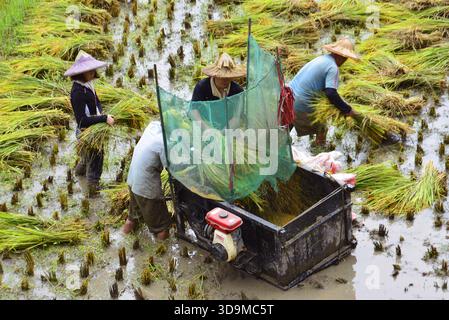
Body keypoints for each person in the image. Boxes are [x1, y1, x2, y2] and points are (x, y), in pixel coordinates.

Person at [289, 38, 359, 146]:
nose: (345, 60)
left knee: (285, 127)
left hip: (288, 98)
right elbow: (331, 93)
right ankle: (319, 153)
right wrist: (347, 110)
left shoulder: (321, 59)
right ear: (341, 56)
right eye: (345, 57)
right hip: (302, 103)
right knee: (322, 129)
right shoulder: (333, 67)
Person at [64, 50, 115, 196]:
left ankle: (79, 175)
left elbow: (96, 102)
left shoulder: (87, 85)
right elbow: (82, 120)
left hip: (90, 130)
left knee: (86, 158)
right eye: (89, 70)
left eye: (93, 69)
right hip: (86, 133)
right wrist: (104, 118)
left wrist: (101, 114)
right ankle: (92, 192)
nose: (93, 72)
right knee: (96, 161)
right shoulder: (78, 92)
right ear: (81, 72)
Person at [123, 121, 172, 240]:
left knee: (132, 217)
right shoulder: (163, 143)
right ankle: (162, 255)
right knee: (162, 227)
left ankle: (123, 239)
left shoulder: (153, 125)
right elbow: (171, 168)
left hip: (133, 181)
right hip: (146, 188)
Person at [191, 53, 246, 130]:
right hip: (205, 122)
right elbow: (194, 111)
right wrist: (206, 129)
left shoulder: (238, 91)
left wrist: (223, 133)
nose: (225, 80)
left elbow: (237, 117)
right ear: (214, 75)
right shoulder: (202, 87)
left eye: (227, 77)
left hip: (227, 125)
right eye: (221, 77)